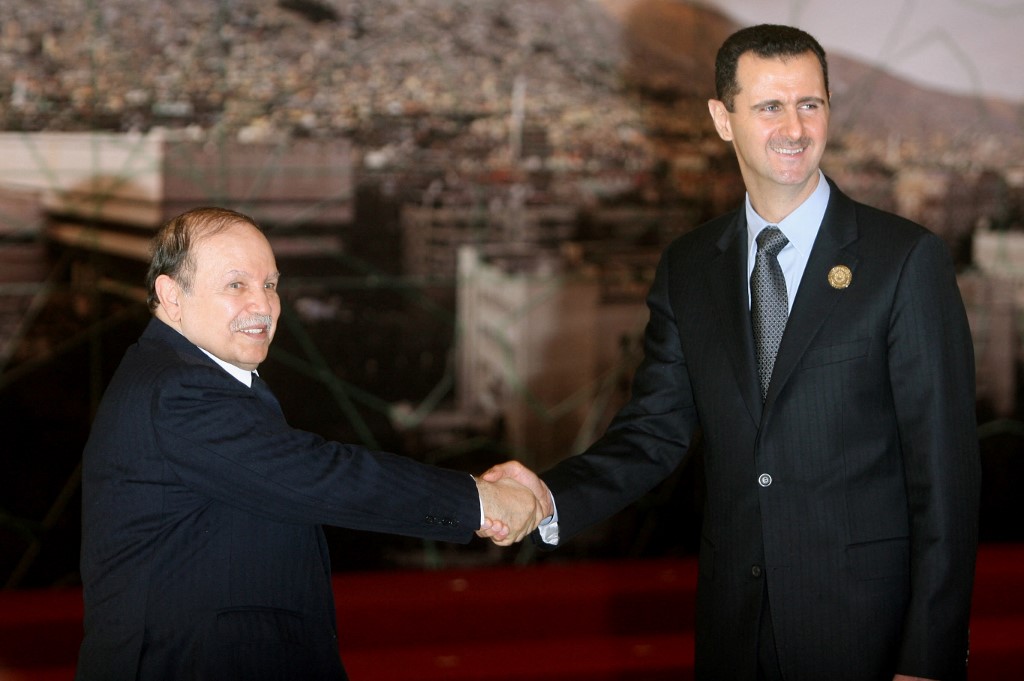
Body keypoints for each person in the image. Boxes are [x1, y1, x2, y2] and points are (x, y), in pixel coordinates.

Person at [479, 24, 981, 681]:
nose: (795, 128)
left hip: (868, 634)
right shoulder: (690, 267)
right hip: (733, 629)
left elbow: (945, 474)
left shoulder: (905, 260)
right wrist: (549, 496)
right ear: (723, 119)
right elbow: (651, 433)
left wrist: (929, 658)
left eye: (811, 104)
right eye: (770, 106)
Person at [77, 206, 539, 680]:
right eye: (236, 285)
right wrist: (478, 501)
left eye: (271, 285)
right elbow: (319, 476)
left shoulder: (183, 378)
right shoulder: (177, 389)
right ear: (172, 295)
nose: (263, 305)